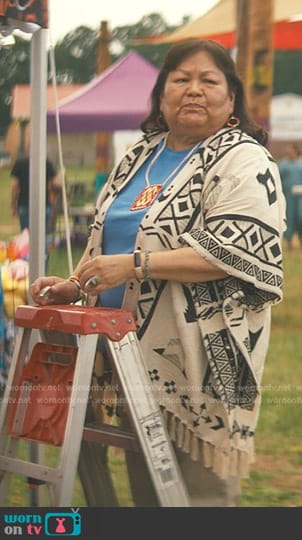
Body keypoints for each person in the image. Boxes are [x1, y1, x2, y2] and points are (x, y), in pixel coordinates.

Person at [30, 39, 286, 506]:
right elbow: (110, 236)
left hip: (203, 357)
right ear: (161, 96)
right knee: (149, 482)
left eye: (209, 80)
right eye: (181, 79)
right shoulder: (139, 156)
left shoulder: (242, 158)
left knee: (199, 493)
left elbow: (241, 253)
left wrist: (134, 266)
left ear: (231, 99)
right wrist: (75, 283)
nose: (194, 90)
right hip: (126, 351)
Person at [10, 154, 60, 235]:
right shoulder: (46, 162)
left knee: (26, 235)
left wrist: (13, 204)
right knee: (43, 234)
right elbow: (55, 182)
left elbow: (14, 186)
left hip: (24, 203)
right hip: (43, 204)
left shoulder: (20, 162)